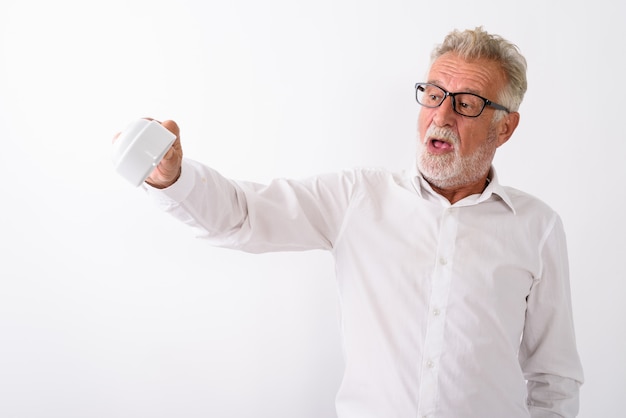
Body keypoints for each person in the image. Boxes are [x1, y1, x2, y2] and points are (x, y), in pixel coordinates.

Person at [123, 27, 584, 418]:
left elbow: (553, 380)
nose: (440, 116)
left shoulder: (538, 226)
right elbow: (243, 215)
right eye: (434, 94)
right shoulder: (356, 198)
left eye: (466, 104)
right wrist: (174, 178)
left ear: (505, 127)